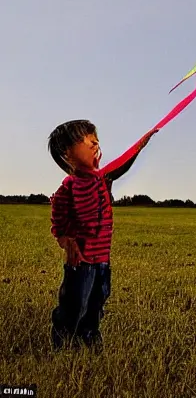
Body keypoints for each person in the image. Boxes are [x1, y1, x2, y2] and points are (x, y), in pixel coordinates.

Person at [48, 119, 156, 351]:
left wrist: (140, 145)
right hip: (81, 261)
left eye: (95, 139)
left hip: (102, 260)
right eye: (85, 140)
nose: (95, 143)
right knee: (75, 303)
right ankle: (64, 339)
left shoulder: (102, 179)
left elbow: (122, 164)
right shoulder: (68, 187)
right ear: (67, 155)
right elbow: (58, 218)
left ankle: (89, 334)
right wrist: (65, 239)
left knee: (98, 300)